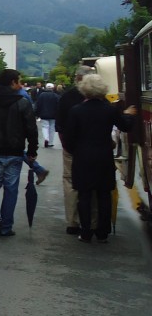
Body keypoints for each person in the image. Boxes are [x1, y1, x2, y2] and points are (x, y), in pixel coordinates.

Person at [61, 74, 136, 243]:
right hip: (103, 155)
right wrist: (128, 114)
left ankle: (86, 231)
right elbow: (125, 126)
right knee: (104, 194)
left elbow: (69, 138)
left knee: (84, 195)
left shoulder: (76, 111)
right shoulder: (109, 109)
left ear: (84, 90)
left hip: (82, 157)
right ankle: (103, 231)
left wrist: (77, 150)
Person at [0, 68, 38, 237]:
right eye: (19, 81)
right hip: (15, 152)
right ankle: (6, 226)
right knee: (11, 189)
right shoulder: (22, 103)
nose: (21, 84)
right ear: (12, 82)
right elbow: (31, 129)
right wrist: (32, 151)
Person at [56, 66, 90, 234]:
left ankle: (72, 221)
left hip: (71, 146)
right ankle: (93, 221)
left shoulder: (67, 97)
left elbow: (60, 124)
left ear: (77, 78)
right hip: (94, 148)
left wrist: (65, 144)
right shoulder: (100, 99)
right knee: (93, 183)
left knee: (70, 181)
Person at [34, 82, 60, 148]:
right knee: (52, 128)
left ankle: (46, 138)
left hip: (43, 114)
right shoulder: (56, 96)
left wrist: (37, 114)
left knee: (45, 127)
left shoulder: (41, 95)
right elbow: (58, 106)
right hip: (53, 115)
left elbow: (38, 105)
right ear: (53, 88)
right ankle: (50, 142)